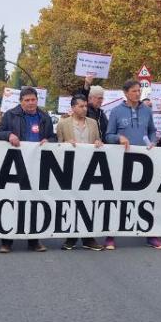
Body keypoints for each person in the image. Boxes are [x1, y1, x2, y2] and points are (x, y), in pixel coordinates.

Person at [105, 79, 161, 250]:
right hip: (122, 160)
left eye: (139, 91)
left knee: (147, 197)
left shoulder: (147, 110)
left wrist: (153, 141)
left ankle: (151, 235)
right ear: (125, 93)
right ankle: (110, 236)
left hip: (144, 160)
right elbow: (108, 135)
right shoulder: (116, 112)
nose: (138, 93)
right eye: (134, 91)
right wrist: (119, 138)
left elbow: (152, 130)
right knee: (119, 197)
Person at [0, 86, 55, 253]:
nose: (30, 103)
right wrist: (9, 135)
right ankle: (6, 241)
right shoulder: (10, 115)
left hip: (37, 165)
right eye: (27, 100)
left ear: (37, 100)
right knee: (12, 201)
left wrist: (48, 140)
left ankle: (34, 240)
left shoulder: (44, 117)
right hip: (15, 165)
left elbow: (52, 136)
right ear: (21, 102)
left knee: (34, 202)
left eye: (33, 100)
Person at [56, 95, 104, 251]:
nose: (85, 109)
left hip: (89, 168)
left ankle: (88, 238)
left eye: (86, 106)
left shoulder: (93, 123)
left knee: (88, 202)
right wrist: (65, 144)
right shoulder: (63, 124)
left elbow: (98, 141)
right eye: (81, 106)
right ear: (73, 108)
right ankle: (71, 237)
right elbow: (56, 146)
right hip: (71, 169)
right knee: (72, 201)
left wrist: (98, 143)